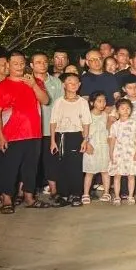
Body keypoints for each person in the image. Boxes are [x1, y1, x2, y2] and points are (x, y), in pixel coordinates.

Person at [0, 50, 51, 213]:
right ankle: (7, 200)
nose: (19, 66)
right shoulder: (1, 87)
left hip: (34, 133)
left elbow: (45, 100)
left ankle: (29, 198)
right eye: (15, 63)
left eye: (22, 63)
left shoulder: (35, 81)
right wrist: (0, 136)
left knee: (31, 168)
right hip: (11, 135)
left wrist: (33, 85)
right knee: (9, 168)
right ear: (8, 65)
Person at [50, 73, 91, 207]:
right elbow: (53, 122)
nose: (73, 85)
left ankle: (76, 194)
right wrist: (52, 141)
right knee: (61, 165)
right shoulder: (59, 102)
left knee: (75, 166)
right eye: (70, 82)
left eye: (76, 82)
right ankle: (63, 194)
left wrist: (85, 140)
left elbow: (86, 122)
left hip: (76, 136)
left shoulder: (82, 102)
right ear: (64, 85)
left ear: (79, 85)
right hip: (61, 136)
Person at [32, 52, 63, 197]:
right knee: (30, 162)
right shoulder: (26, 82)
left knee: (51, 160)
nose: (42, 65)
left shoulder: (56, 82)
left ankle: (53, 190)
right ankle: (24, 192)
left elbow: (60, 106)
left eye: (45, 61)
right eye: (38, 62)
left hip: (50, 128)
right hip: (31, 130)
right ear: (31, 65)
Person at [108, 98, 136, 205]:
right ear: (117, 110)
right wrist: (111, 153)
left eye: (128, 108)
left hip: (131, 152)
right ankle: (117, 196)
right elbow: (112, 140)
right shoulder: (115, 125)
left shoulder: (135, 123)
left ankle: (130, 196)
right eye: (122, 108)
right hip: (118, 153)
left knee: (131, 175)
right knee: (117, 175)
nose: (126, 110)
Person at [83, 91, 111, 204]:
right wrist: (87, 143)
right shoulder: (88, 115)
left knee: (105, 171)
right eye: (99, 101)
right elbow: (83, 131)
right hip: (92, 146)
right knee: (89, 172)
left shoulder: (106, 115)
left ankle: (106, 192)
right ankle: (86, 193)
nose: (102, 103)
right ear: (92, 103)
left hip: (104, 146)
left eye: (104, 101)